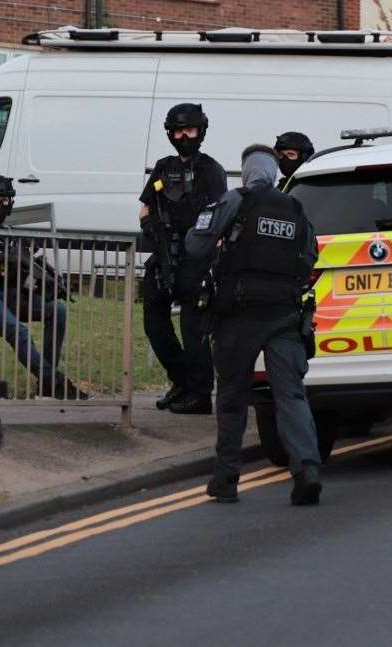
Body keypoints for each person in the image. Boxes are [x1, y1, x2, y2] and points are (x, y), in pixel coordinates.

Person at [185, 144, 322, 505]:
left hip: (238, 315)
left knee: (232, 398)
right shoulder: (294, 208)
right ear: (276, 174)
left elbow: (195, 247)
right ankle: (307, 469)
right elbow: (310, 257)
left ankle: (226, 480)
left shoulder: (235, 201)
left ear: (245, 173)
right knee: (290, 395)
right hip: (283, 314)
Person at [139, 103, 227, 414]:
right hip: (164, 256)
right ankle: (182, 380)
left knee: (193, 329)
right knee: (154, 324)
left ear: (200, 131)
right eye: (177, 131)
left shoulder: (211, 170)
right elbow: (146, 205)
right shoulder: (163, 168)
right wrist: (151, 228)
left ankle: (201, 394)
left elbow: (220, 214)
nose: (183, 136)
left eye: (189, 130)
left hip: (197, 260)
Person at [0, 175, 87, 399]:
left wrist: (47, 282)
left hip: (11, 294)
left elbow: (23, 267)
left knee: (58, 310)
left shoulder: (10, 233)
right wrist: (3, 259)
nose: (2, 205)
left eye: (6, 200)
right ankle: (55, 382)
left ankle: (45, 384)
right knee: (19, 332)